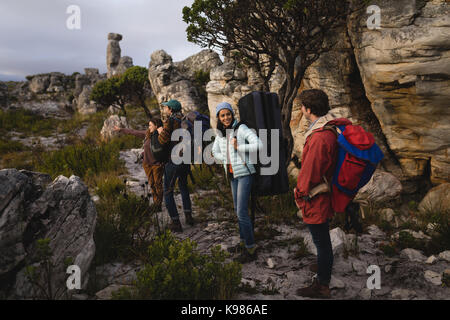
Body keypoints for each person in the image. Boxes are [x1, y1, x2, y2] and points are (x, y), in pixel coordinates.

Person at [294, 89, 351, 299]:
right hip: (325, 192)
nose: (301, 110)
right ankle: (322, 266)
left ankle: (322, 285)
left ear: (308, 109)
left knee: (322, 241)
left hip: (317, 196)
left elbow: (310, 172)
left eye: (302, 107)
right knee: (322, 238)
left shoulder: (319, 138)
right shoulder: (328, 129)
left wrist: (299, 192)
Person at [211, 102, 263, 263]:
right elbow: (214, 152)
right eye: (222, 115)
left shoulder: (241, 129)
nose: (226, 117)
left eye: (228, 114)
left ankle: (250, 248)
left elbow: (259, 145)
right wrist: (225, 159)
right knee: (237, 210)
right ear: (219, 118)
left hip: (245, 173)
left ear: (232, 114)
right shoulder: (220, 134)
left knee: (241, 212)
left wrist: (240, 147)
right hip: (233, 176)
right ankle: (243, 242)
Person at [156, 99, 195, 233]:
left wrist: (160, 130)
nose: (164, 109)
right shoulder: (186, 120)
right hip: (185, 160)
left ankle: (176, 222)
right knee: (184, 187)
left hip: (173, 160)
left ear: (171, 109)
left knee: (168, 191)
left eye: (166, 107)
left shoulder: (170, 121)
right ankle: (189, 216)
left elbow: (162, 140)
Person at [113, 118, 165, 212]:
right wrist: (121, 129)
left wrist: (161, 131)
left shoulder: (162, 135)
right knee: (152, 184)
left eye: (150, 125)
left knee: (158, 184)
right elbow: (133, 132)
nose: (148, 127)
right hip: (147, 164)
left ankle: (158, 204)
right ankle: (155, 201)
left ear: (156, 126)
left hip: (157, 164)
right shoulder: (147, 134)